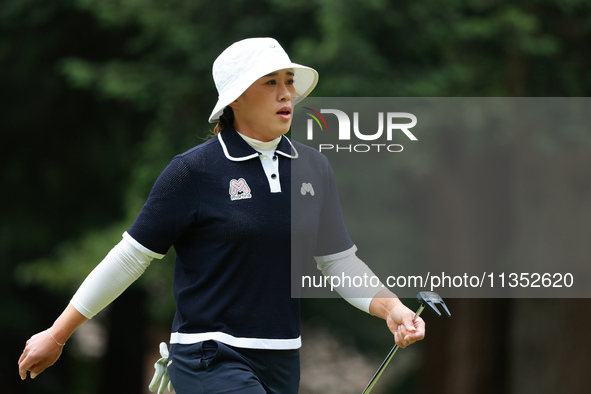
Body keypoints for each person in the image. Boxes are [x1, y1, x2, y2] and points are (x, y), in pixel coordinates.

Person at [18, 37, 425, 393]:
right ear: (236, 97)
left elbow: (337, 260)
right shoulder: (193, 171)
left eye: (288, 81)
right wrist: (58, 333)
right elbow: (130, 256)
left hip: (283, 359)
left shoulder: (314, 168)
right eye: (271, 83)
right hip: (210, 355)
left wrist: (392, 308)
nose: (287, 94)